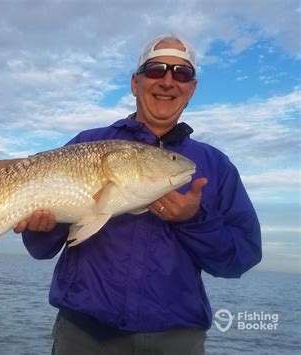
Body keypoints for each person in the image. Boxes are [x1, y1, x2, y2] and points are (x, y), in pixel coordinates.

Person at [14, 34, 262, 355]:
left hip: (176, 339)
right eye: (156, 70)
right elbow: (42, 248)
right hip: (85, 335)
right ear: (135, 83)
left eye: (181, 73)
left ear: (192, 89)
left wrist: (193, 220)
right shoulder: (86, 145)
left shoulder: (214, 165)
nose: (168, 81)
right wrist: (43, 227)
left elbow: (240, 259)